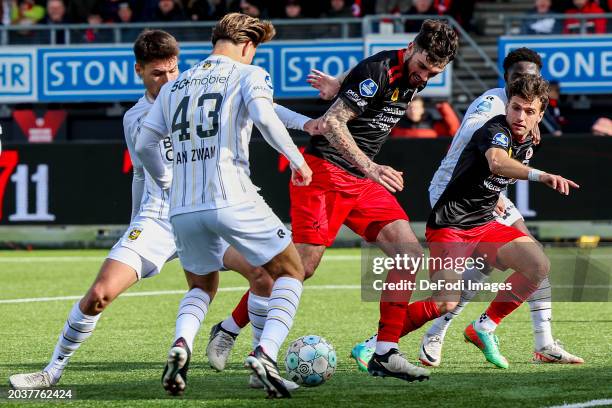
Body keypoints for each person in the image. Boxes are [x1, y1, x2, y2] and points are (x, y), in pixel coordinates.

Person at [207, 18, 458, 383]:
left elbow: (357, 98)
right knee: (299, 268)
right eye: (422, 67)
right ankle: (229, 329)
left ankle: (385, 351)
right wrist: (371, 166)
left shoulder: (407, 77)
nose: (424, 77)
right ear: (414, 48)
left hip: (359, 181)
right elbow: (334, 124)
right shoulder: (381, 69)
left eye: (434, 73)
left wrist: (340, 87)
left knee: (408, 254)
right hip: (324, 173)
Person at [135, 13, 313, 399]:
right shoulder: (250, 74)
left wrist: (165, 180)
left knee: (201, 285)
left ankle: (181, 343)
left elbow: (145, 145)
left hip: (182, 208)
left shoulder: (174, 85)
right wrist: (297, 161)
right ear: (247, 46)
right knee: (290, 270)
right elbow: (265, 117)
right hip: (232, 195)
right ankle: (265, 353)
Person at [8, 29, 184, 390]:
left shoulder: (196, 100)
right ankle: (52, 371)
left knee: (273, 273)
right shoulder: (134, 117)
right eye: (157, 73)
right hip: (159, 217)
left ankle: (258, 357)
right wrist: (135, 222)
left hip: (210, 210)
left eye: (172, 71)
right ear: (139, 71)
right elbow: (139, 172)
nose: (167, 81)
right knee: (99, 294)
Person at [426, 74, 579, 368]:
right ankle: (420, 335)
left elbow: (503, 157)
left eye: (530, 111)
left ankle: (538, 340)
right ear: (508, 81)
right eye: (517, 107)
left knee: (534, 260)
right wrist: (535, 169)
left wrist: (525, 130)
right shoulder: (493, 105)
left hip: (489, 195)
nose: (521, 115)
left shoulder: (523, 126)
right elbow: (487, 147)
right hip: (453, 193)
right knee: (452, 289)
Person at [390, 95, 460, 138]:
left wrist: (443, 106)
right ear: (405, 110)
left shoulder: (434, 125)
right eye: (410, 108)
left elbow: (455, 131)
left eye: (416, 108)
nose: (413, 111)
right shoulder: (396, 126)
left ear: (422, 109)